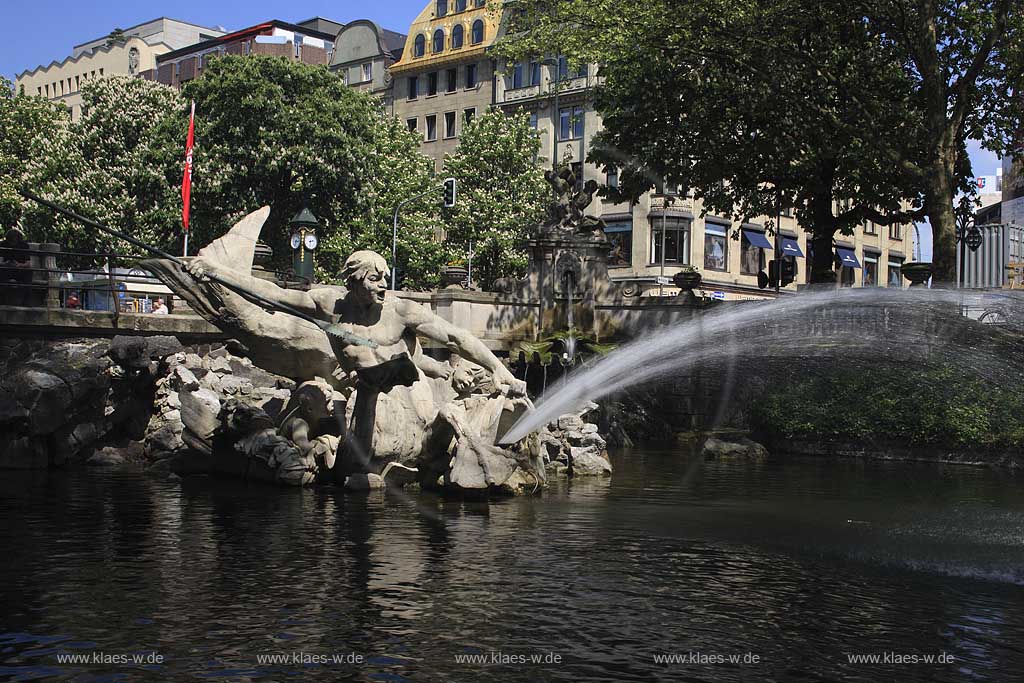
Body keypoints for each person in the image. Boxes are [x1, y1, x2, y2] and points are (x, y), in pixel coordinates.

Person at [187, 249, 527, 477]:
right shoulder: (331, 304)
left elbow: (456, 338)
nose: (383, 286)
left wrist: (500, 369)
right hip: (362, 395)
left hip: (408, 395)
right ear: (354, 281)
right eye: (374, 279)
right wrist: (215, 271)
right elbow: (271, 294)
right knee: (358, 459)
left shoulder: (400, 310)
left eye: (385, 279)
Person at [0, 227, 32, 306]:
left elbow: (28, 263)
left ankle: (26, 301)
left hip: (19, 269)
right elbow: (0, 260)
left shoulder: (24, 246)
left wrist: (19, 265)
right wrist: (5, 263)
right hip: (6, 269)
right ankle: (2, 299)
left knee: (28, 272)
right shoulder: (3, 244)